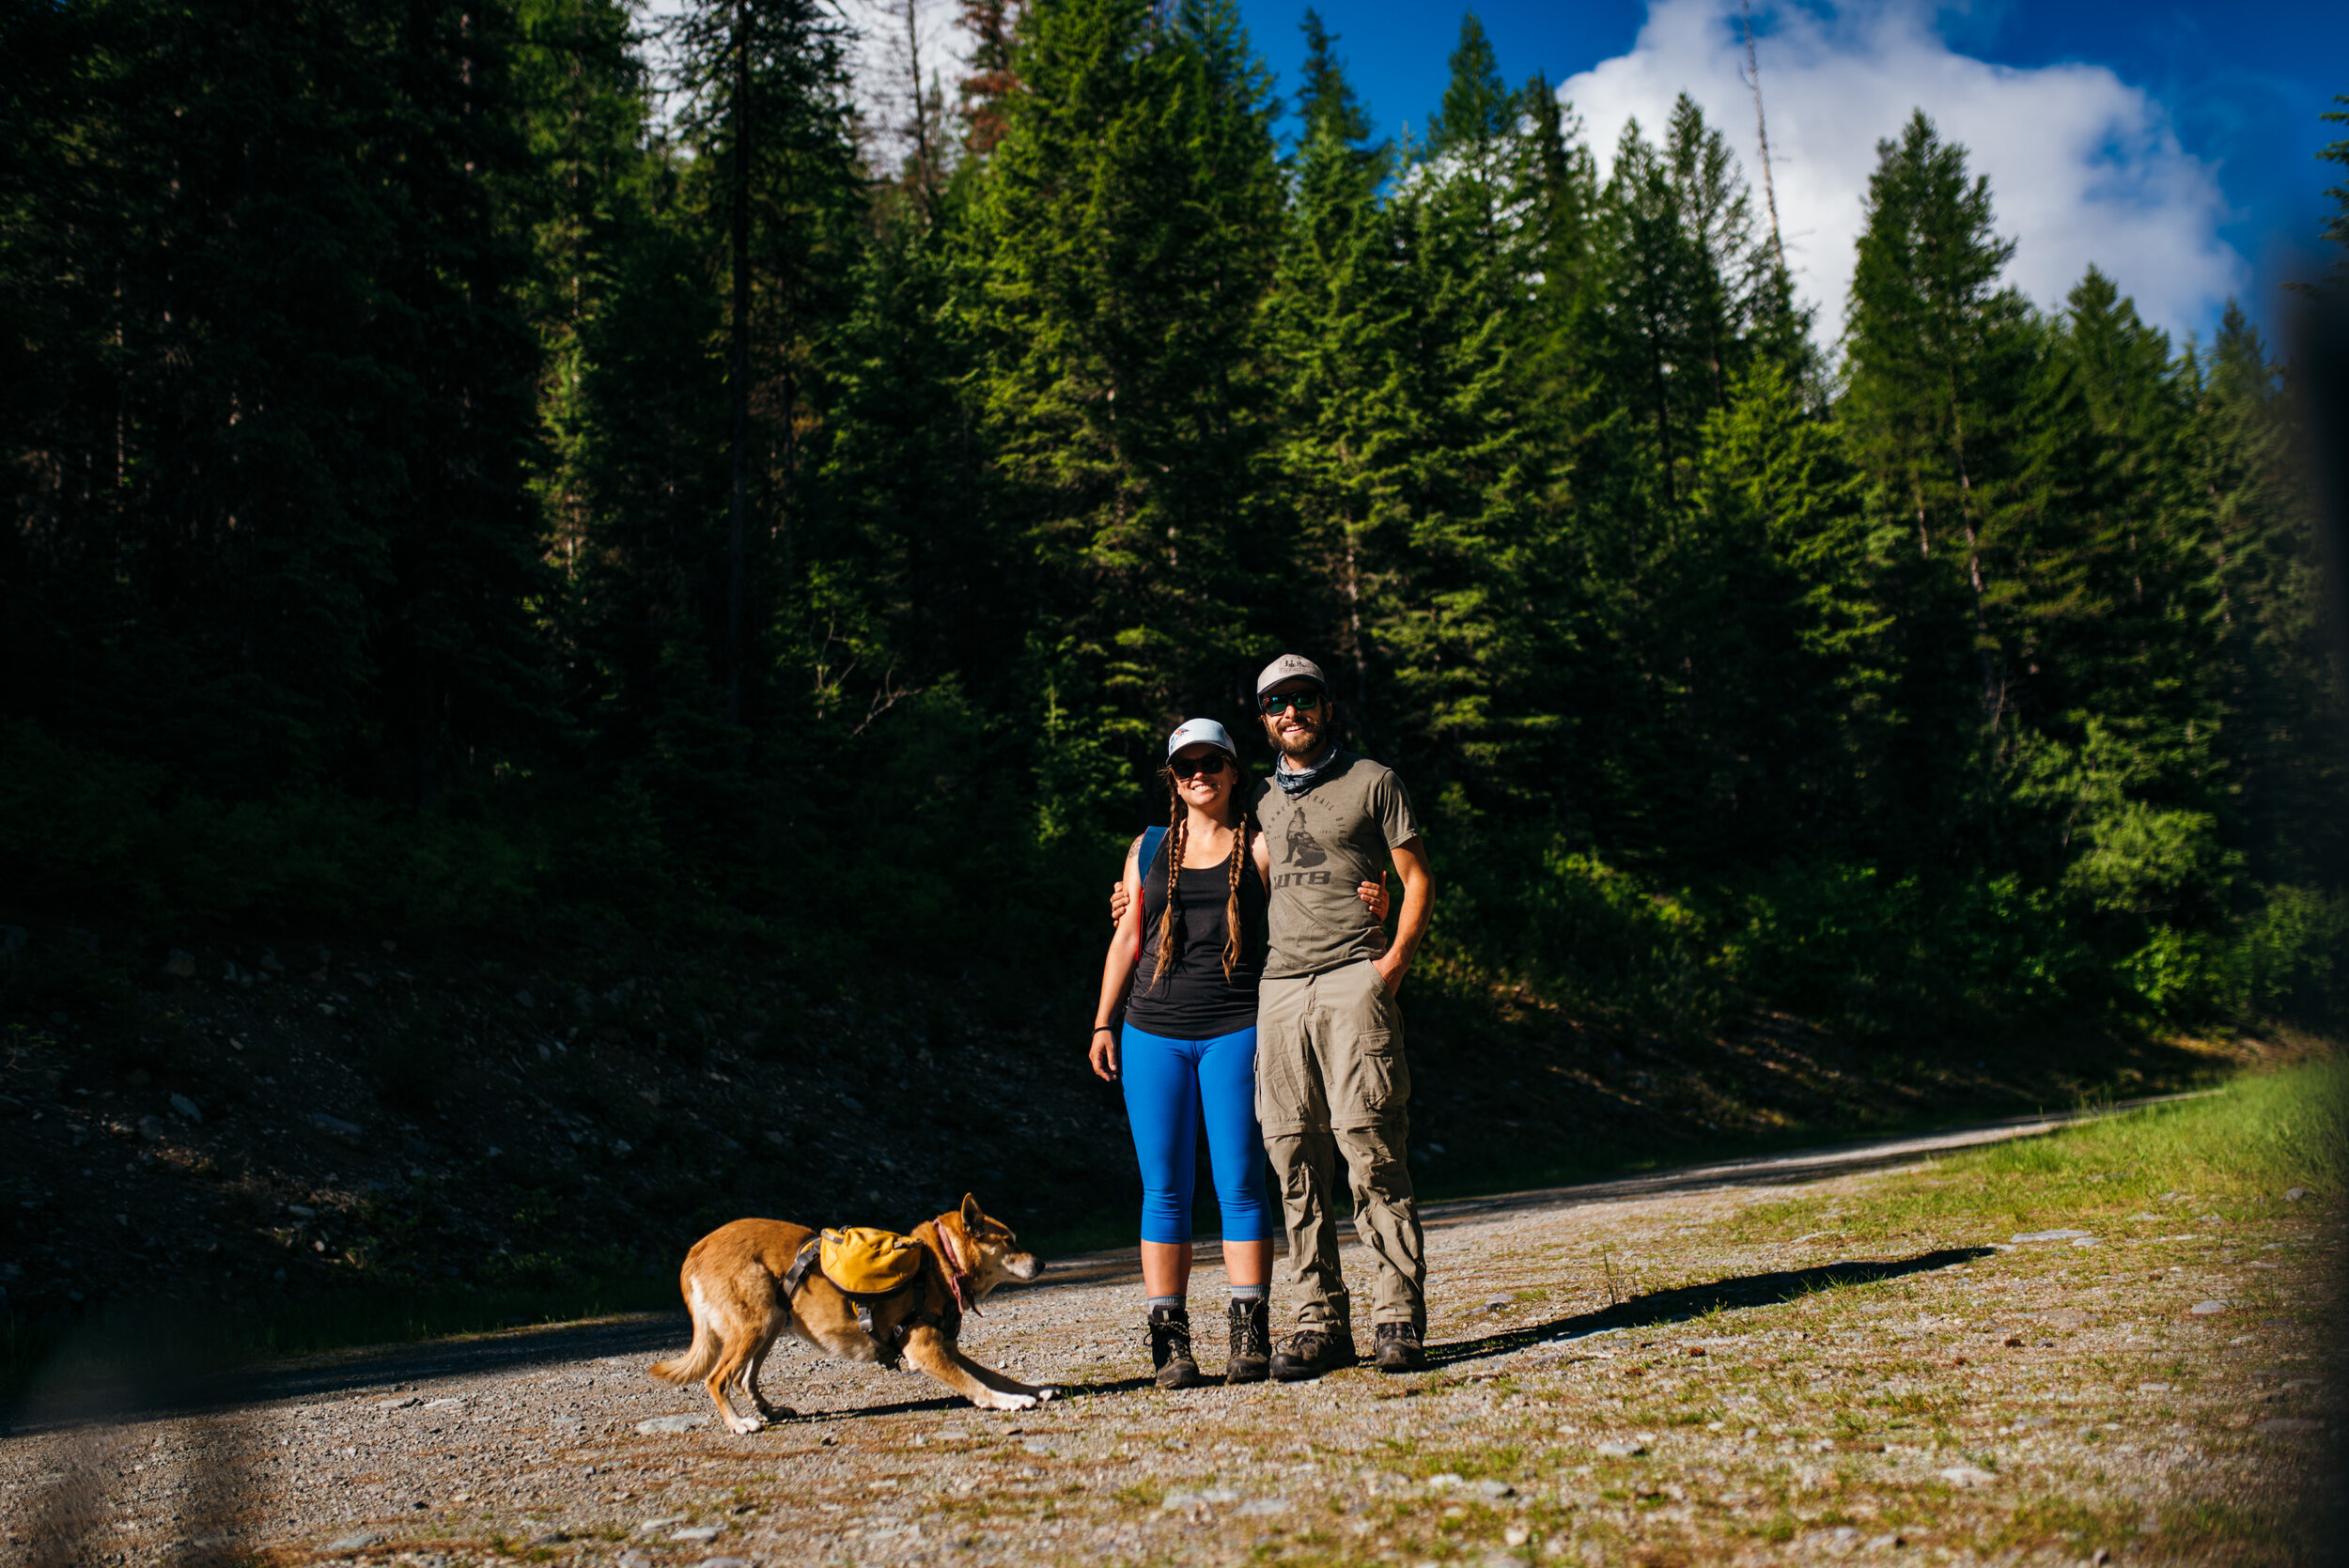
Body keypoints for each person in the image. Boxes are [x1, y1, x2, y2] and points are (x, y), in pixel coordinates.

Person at [1111, 657, 1435, 1379]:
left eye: (1303, 698)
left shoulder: (1372, 780)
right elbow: (1184, 861)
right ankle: (1319, 1321)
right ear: (1262, 717)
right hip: (1279, 990)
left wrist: (1390, 965)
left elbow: (1417, 881)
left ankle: (1396, 1318)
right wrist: (1133, 893)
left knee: (1369, 1146)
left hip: (1353, 979)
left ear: (1325, 705)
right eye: (1276, 703)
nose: (1291, 711)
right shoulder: (1254, 797)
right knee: (1293, 1158)